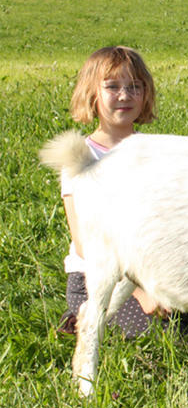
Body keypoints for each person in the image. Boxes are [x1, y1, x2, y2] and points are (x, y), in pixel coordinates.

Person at [56, 46, 163, 338]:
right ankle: (79, 315)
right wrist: (141, 293)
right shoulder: (80, 157)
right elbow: (83, 244)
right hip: (97, 277)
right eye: (113, 86)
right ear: (92, 94)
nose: (125, 95)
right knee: (153, 334)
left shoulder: (155, 151)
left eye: (134, 87)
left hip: (151, 270)